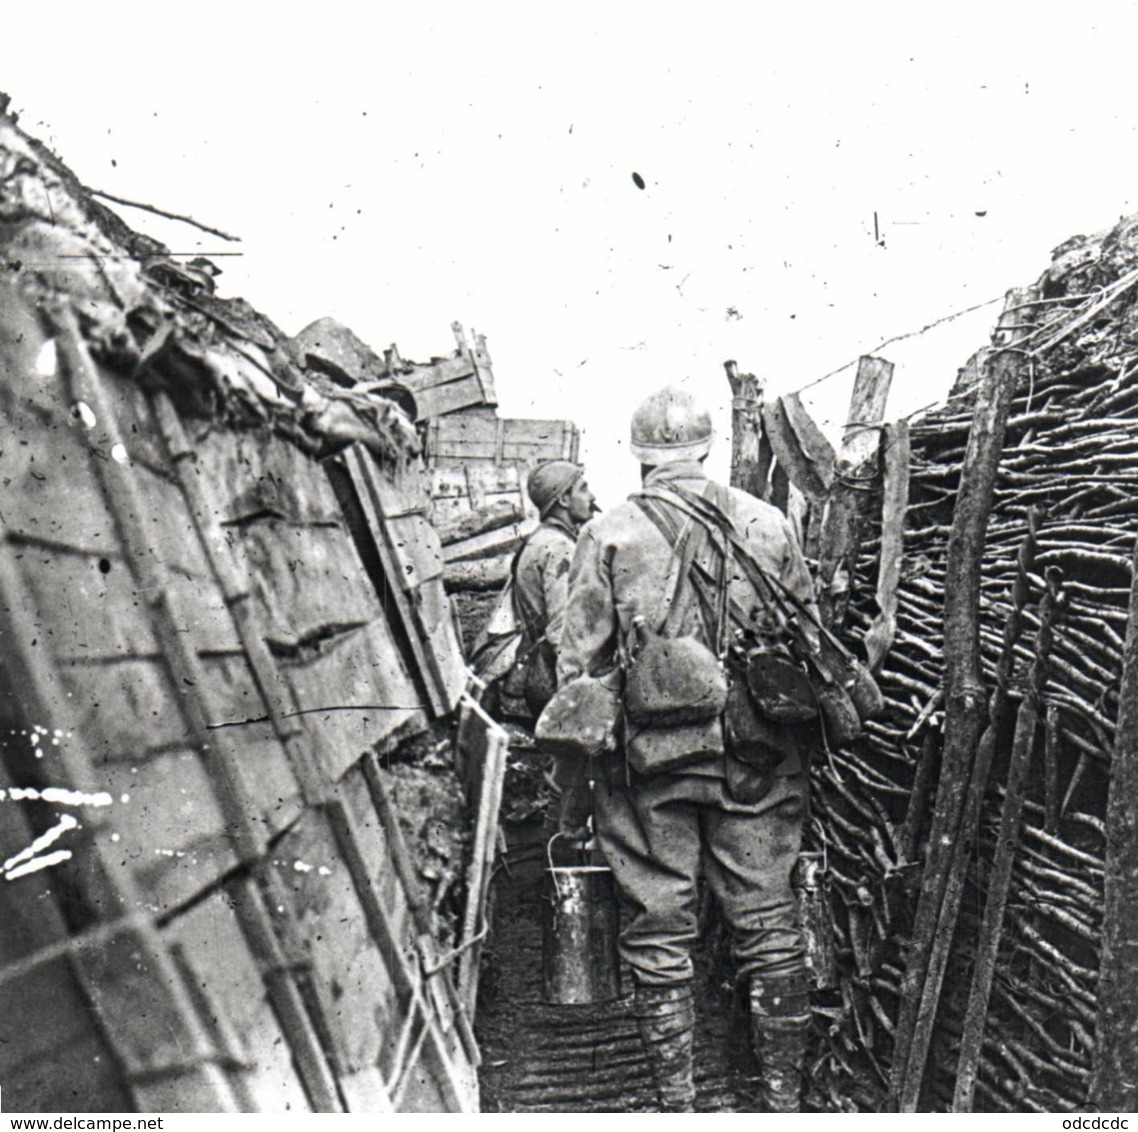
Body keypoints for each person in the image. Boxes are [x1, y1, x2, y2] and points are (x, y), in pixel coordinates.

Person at [556, 386, 820, 1112]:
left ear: (640, 457)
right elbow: (805, 630)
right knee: (768, 921)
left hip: (650, 763)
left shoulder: (608, 533)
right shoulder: (766, 523)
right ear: (705, 449)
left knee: (659, 929)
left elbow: (577, 662)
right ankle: (782, 1103)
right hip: (757, 758)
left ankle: (678, 1109)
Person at [500, 459, 597, 837]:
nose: (591, 497)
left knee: (569, 770)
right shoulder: (559, 549)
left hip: (539, 670)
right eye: (583, 489)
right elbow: (562, 630)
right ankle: (561, 847)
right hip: (554, 674)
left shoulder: (537, 541)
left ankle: (559, 844)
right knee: (575, 767)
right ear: (562, 499)